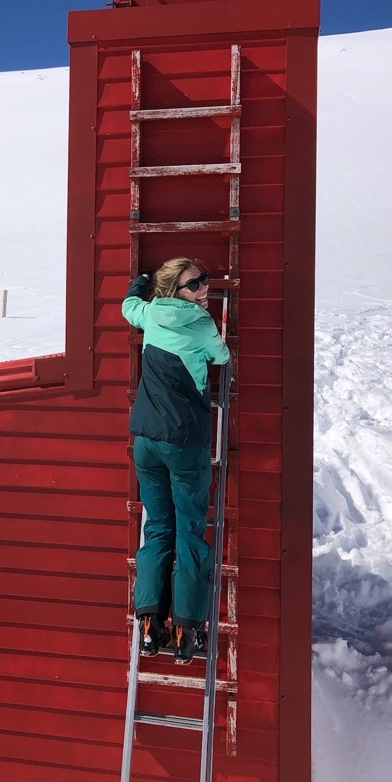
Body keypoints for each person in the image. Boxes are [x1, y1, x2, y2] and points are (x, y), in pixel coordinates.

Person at [121, 257, 230, 664]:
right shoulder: (201, 324)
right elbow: (220, 357)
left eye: (205, 280)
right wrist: (207, 324)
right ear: (176, 292)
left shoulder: (148, 312)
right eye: (195, 284)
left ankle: (149, 623)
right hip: (184, 444)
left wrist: (140, 282)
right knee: (188, 533)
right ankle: (186, 625)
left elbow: (128, 306)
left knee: (158, 529)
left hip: (146, 441)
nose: (204, 288)